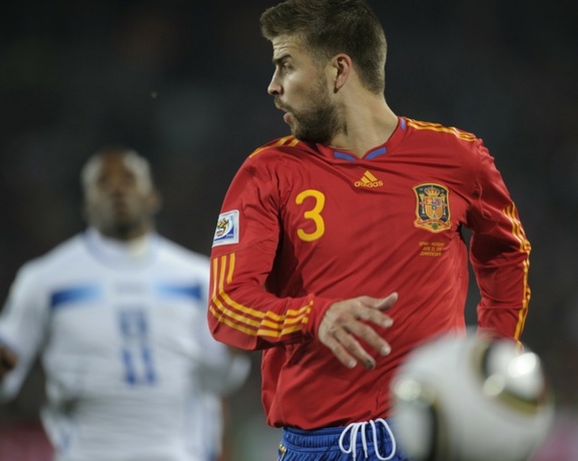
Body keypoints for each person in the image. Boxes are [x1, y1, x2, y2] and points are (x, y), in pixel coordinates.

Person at [207, 1, 531, 460]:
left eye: (286, 65)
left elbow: (506, 253)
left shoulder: (458, 158)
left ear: (339, 71)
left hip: (431, 438)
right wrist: (313, 316)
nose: (273, 85)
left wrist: (492, 356)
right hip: (318, 447)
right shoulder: (267, 173)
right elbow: (227, 306)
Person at [0, 147, 250, 461]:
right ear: (87, 204)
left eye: (129, 179)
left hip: (176, 453)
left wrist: (234, 354)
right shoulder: (45, 280)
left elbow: (221, 380)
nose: (117, 189)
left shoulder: (199, 278)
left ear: (153, 197)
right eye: (103, 182)